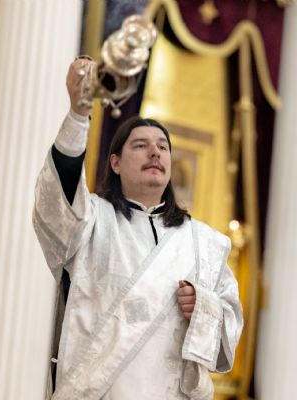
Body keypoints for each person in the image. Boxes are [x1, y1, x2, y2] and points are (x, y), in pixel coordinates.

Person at [33, 58, 243, 400]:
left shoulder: (205, 243)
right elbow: (58, 199)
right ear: (115, 163)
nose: (155, 152)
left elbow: (230, 324)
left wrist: (203, 306)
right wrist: (78, 114)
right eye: (141, 145)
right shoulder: (92, 220)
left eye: (163, 146)